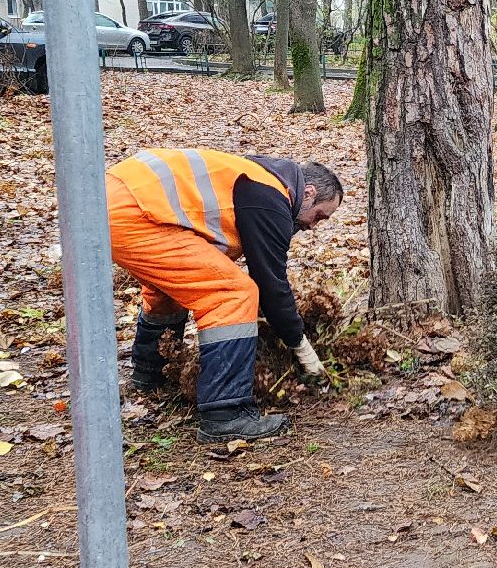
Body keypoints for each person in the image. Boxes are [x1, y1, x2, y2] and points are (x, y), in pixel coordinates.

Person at [106, 148, 342, 440]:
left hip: (117, 198)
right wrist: (299, 344)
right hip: (137, 212)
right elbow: (271, 285)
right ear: (307, 192)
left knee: (169, 290)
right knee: (234, 294)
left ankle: (150, 375)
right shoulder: (271, 196)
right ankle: (225, 415)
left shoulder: (258, 176)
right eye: (319, 216)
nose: (311, 227)